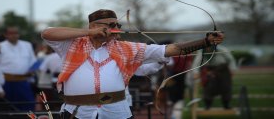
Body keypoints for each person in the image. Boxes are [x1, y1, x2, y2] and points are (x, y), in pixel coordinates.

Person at [41, 9, 224, 119]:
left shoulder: (127, 48)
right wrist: (88, 33)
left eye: (116, 24)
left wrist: (205, 42)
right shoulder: (71, 44)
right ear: (93, 27)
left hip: (116, 111)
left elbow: (171, 49)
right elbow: (47, 33)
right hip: (77, 111)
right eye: (110, 25)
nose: (116, 29)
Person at [0, 26, 37, 111]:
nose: (14, 35)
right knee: (9, 107)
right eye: (11, 33)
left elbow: (33, 61)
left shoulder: (27, 45)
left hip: (23, 80)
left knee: (28, 105)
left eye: (16, 33)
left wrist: (32, 70)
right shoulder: (0, 46)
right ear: (6, 35)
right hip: (6, 81)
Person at [191, 45, 236, 109]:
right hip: (210, 70)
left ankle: (226, 104)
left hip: (223, 70)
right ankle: (207, 105)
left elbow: (230, 60)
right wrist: (196, 73)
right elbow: (196, 63)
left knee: (226, 87)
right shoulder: (202, 52)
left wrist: (233, 69)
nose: (208, 48)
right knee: (208, 87)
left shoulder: (222, 49)